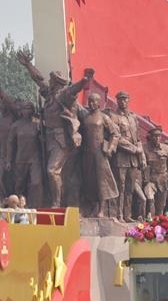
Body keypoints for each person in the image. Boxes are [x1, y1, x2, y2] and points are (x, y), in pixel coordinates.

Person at [16, 52, 94, 207]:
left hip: (62, 139)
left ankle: (56, 203)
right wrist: (28, 65)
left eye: (51, 80)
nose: (49, 82)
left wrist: (85, 80)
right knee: (56, 173)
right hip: (49, 138)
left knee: (52, 170)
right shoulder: (51, 96)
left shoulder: (64, 95)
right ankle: (60, 201)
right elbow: (39, 80)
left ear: (57, 82)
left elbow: (74, 89)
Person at [110, 91, 146, 221]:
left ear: (129, 100)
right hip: (120, 158)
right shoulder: (114, 117)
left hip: (133, 161)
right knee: (120, 187)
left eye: (125, 99)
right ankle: (117, 214)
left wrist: (141, 156)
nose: (122, 102)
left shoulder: (133, 118)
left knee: (130, 189)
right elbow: (117, 139)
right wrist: (135, 150)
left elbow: (138, 139)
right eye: (120, 99)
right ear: (117, 101)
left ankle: (127, 215)